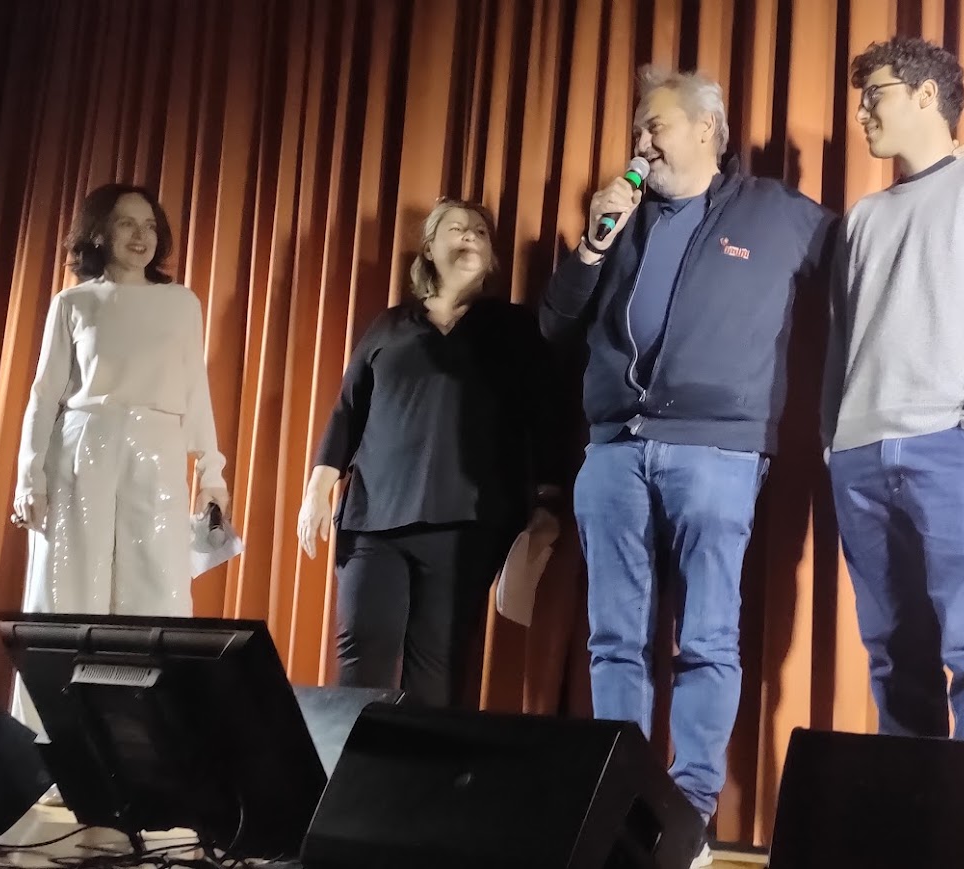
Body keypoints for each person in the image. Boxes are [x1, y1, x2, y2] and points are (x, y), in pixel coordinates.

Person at [539, 66, 835, 868]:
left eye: (656, 125)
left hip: (716, 449)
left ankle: (689, 811)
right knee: (613, 639)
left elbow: (859, 262)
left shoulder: (773, 211)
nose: (641, 142)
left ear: (707, 129)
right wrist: (592, 241)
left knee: (706, 636)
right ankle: (623, 806)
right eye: (638, 128)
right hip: (613, 448)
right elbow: (556, 323)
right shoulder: (623, 219)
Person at [821, 36, 964, 744]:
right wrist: (833, 441)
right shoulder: (863, 217)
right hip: (860, 454)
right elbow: (840, 339)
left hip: (952, 446)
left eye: (875, 95)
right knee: (893, 658)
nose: (861, 112)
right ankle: (909, 806)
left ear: (926, 95)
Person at [11, 183, 231, 799]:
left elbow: (196, 392)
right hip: (82, 447)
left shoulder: (180, 304)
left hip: (155, 452)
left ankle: (147, 760)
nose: (141, 235)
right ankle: (52, 760)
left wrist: (211, 473)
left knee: (152, 597)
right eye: (127, 223)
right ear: (99, 233)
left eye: (150, 225)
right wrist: (29, 474)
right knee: (67, 595)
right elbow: (44, 394)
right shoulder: (73, 303)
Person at [298, 198, 562, 709]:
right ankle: (353, 758)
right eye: (457, 228)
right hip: (374, 517)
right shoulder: (389, 324)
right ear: (428, 248)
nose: (470, 236)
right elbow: (348, 410)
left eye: (480, 232)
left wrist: (548, 500)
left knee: (435, 667)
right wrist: (316, 491)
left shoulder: (513, 327)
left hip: (467, 524)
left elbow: (545, 416)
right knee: (362, 653)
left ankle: (417, 762)